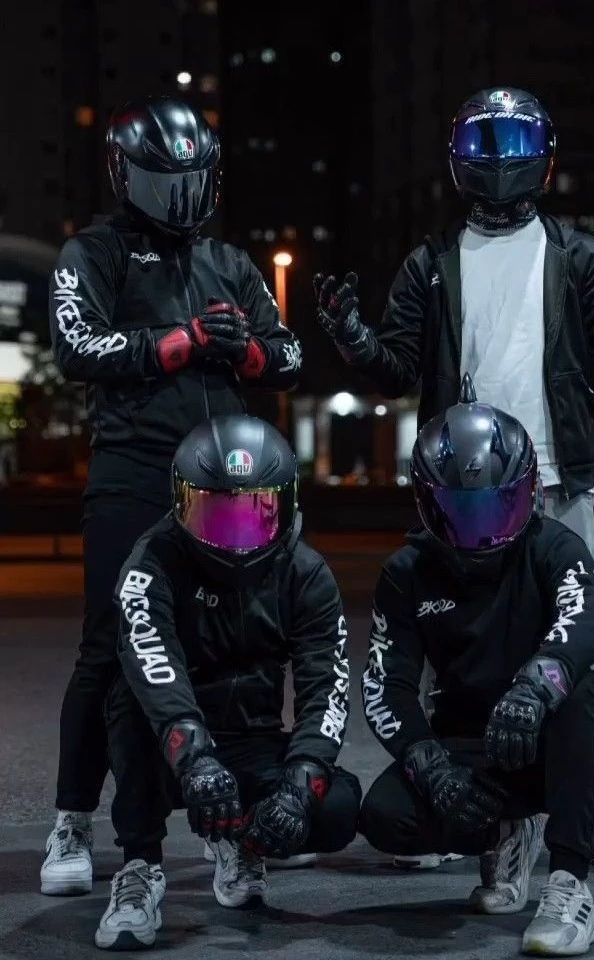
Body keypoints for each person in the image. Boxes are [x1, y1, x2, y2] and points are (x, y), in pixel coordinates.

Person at [314, 86, 594, 873]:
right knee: (455, 647)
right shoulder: (432, 263)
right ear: (458, 159)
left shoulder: (579, 256)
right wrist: (353, 340)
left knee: (576, 649)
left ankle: (587, 808)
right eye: (485, 142)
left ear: (543, 160)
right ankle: (465, 798)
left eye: (515, 143)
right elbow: (397, 366)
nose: (500, 159)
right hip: (462, 487)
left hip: (554, 477)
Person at [41, 96, 303, 897]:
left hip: (226, 483)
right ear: (128, 176)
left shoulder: (230, 263)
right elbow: (76, 345)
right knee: (107, 649)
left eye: (194, 181)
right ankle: (72, 820)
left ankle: (231, 827)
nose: (182, 198)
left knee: (226, 648)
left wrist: (246, 351)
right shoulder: (94, 251)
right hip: (134, 471)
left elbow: (290, 356)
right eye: (167, 181)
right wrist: (181, 343)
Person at [358, 384, 594, 956]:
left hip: (551, 736)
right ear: (426, 503)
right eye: (461, 511)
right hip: (470, 739)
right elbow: (384, 685)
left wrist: (537, 685)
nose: (482, 530)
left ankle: (569, 883)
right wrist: (430, 767)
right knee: (385, 817)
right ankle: (506, 833)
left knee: (584, 691)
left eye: (497, 506)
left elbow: (593, 617)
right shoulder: (407, 573)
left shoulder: (552, 545)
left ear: (528, 492)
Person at [90, 413, 360, 949]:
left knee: (335, 809)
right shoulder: (152, 562)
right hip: (172, 746)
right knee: (124, 695)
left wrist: (300, 786)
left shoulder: (305, 573)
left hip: (251, 736)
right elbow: (152, 662)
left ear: (285, 504)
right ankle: (139, 868)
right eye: (216, 515)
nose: (236, 538)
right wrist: (193, 757)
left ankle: (243, 841)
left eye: (254, 514)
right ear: (181, 503)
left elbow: (326, 688)